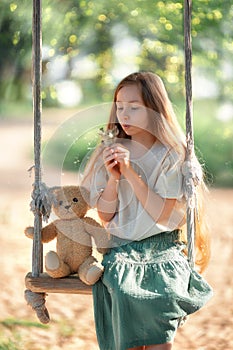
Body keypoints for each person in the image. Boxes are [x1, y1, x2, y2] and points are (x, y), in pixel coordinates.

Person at [81, 72, 213, 350]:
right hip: (122, 248)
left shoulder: (172, 154)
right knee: (122, 288)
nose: (124, 114)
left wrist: (130, 171)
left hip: (163, 247)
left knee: (161, 301)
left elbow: (163, 216)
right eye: (119, 106)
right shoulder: (110, 149)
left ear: (154, 109)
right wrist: (115, 178)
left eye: (134, 107)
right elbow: (106, 218)